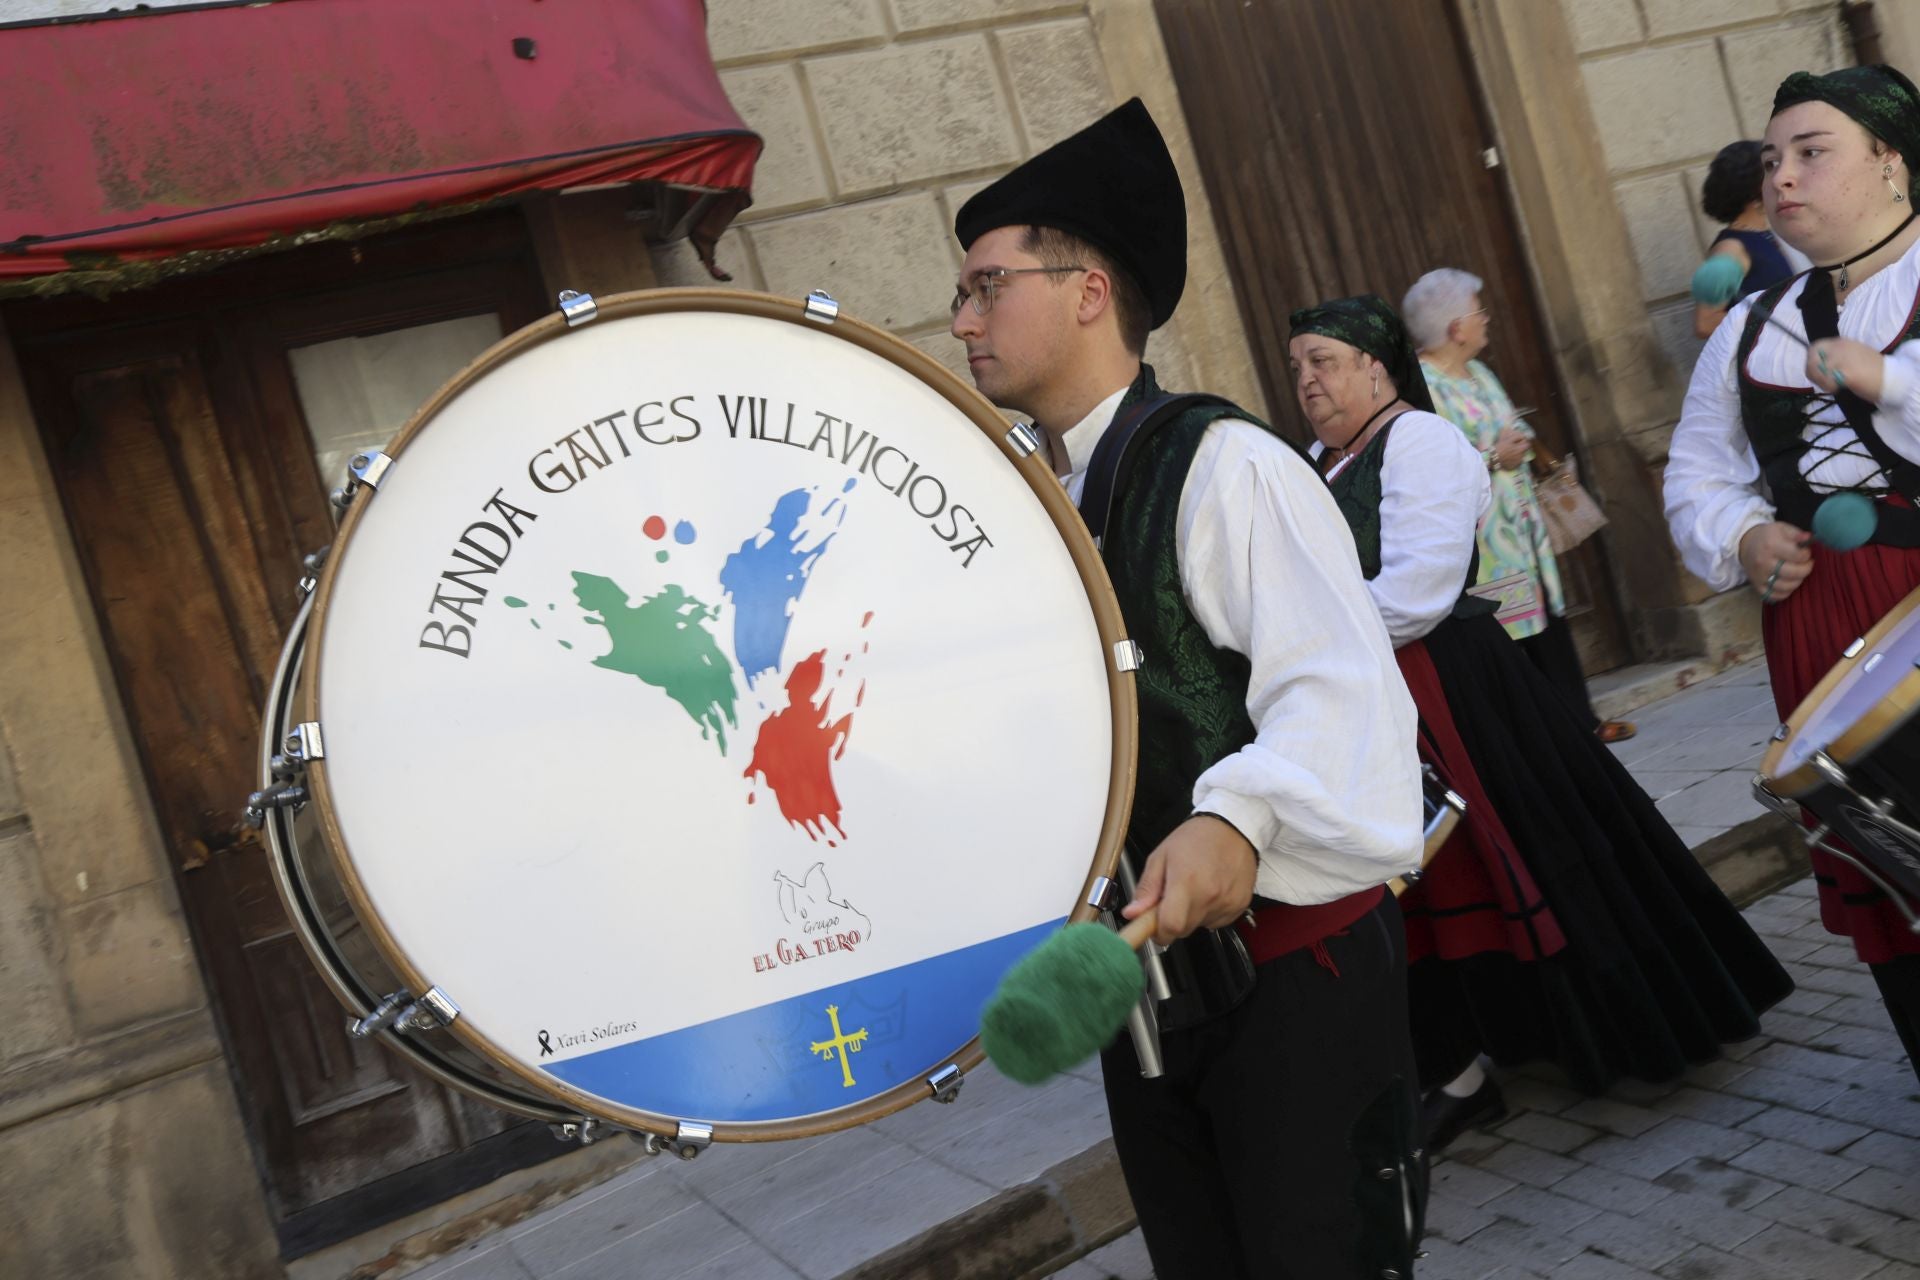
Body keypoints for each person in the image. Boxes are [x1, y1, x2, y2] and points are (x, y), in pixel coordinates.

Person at [950, 101, 1427, 1280]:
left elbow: (1343, 691)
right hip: (1145, 1004)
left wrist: (1238, 818)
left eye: (986, 286)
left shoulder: (1228, 466)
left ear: (1088, 292)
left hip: (1291, 985)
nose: (961, 320)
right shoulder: (1027, 508)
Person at [1290, 294, 1792, 1150]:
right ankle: (1464, 1064)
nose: (1306, 380)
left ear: (1375, 368)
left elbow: (1417, 591)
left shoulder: (1421, 442)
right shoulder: (1321, 462)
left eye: (1323, 361)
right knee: (1419, 883)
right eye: (1298, 365)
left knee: (1513, 860)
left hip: (1451, 686)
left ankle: (1608, 1032)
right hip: (1377, 692)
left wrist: (1303, 634)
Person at [1665, 64, 1920, 1083]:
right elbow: (1698, 471)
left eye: (1813, 153)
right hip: (1820, 631)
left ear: (1891, 162)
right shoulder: (1749, 323)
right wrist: (1743, 538)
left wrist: (1885, 377)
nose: (1781, 177)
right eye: (1773, 159)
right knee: (1883, 862)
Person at [1404, 267, 1636, 743]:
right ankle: (1544, 736)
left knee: (1548, 620)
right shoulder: (1423, 390)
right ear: (1456, 328)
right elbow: (1427, 469)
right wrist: (1493, 458)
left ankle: (1581, 723)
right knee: (1514, 636)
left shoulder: (1479, 373)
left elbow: (1509, 426)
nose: (1486, 320)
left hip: (1522, 528)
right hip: (1485, 540)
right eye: (1479, 312)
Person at [1693, 140, 1800, 339]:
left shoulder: (1768, 235)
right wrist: (1780, 318)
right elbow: (1705, 323)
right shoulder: (1730, 250)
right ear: (1755, 189)